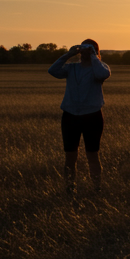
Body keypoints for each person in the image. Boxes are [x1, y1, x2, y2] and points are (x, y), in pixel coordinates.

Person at [48, 39, 111, 194]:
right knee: (70, 155)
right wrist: (68, 54)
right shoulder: (71, 68)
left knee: (92, 154)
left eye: (90, 48)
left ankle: (96, 188)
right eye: (83, 48)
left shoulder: (101, 68)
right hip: (70, 115)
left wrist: (94, 56)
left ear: (96, 51)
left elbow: (102, 75)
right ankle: (70, 188)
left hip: (92, 116)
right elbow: (53, 71)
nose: (85, 51)